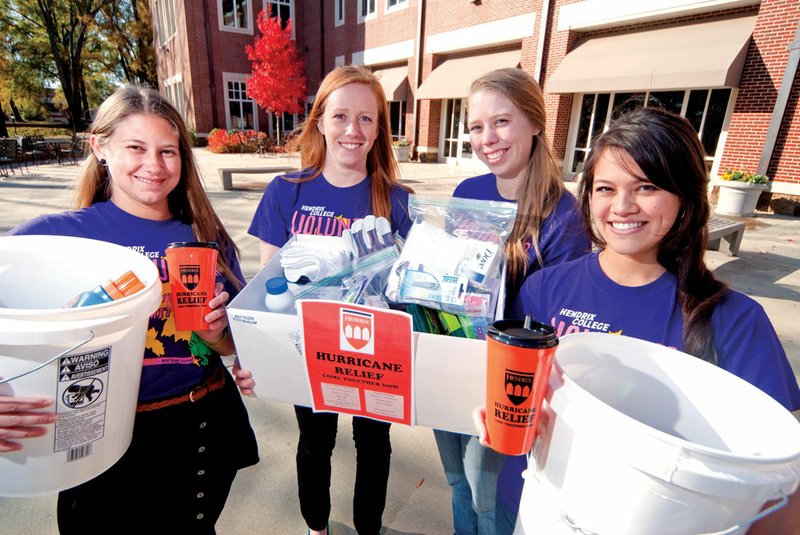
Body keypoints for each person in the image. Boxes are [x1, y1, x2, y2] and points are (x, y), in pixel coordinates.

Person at [475, 106, 800, 533]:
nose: (622, 206)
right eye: (605, 188)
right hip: (529, 504)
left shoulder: (733, 320)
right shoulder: (543, 289)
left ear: (684, 196)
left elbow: (783, 482)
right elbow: (508, 389)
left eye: (646, 187)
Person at [6, 85, 258, 533]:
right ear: (99, 147)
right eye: (135, 148)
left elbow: (229, 347)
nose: (154, 166)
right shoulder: (56, 237)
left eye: (168, 151)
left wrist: (219, 332)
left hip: (201, 428)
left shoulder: (206, 236)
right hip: (100, 438)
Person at [245, 65, 412, 535]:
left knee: (374, 445)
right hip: (308, 348)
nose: (352, 130)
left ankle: (367, 529)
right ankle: (316, 526)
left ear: (379, 129)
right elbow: (271, 288)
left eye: (366, 118)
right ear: (319, 120)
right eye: (340, 116)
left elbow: (408, 291)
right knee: (315, 441)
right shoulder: (286, 192)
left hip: (373, 352)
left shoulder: (397, 200)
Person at [434, 67, 590, 535]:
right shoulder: (469, 193)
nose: (488, 139)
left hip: (510, 380)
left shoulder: (563, 216)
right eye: (476, 127)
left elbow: (559, 318)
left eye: (501, 121)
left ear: (535, 122)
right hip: (454, 356)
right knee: (457, 480)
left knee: (490, 497)